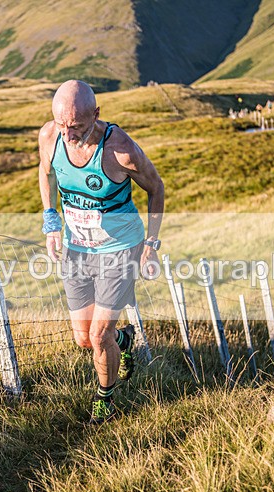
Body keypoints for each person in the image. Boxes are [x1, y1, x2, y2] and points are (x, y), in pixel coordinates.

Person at [38, 80, 165, 424]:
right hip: (78, 250)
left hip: (121, 249)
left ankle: (104, 402)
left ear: (96, 114)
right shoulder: (50, 136)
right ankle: (124, 339)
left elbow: (156, 189)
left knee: (98, 334)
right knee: (83, 339)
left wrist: (151, 245)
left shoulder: (120, 150)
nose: (67, 135)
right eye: (62, 125)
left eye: (76, 126)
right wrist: (52, 222)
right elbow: (46, 173)